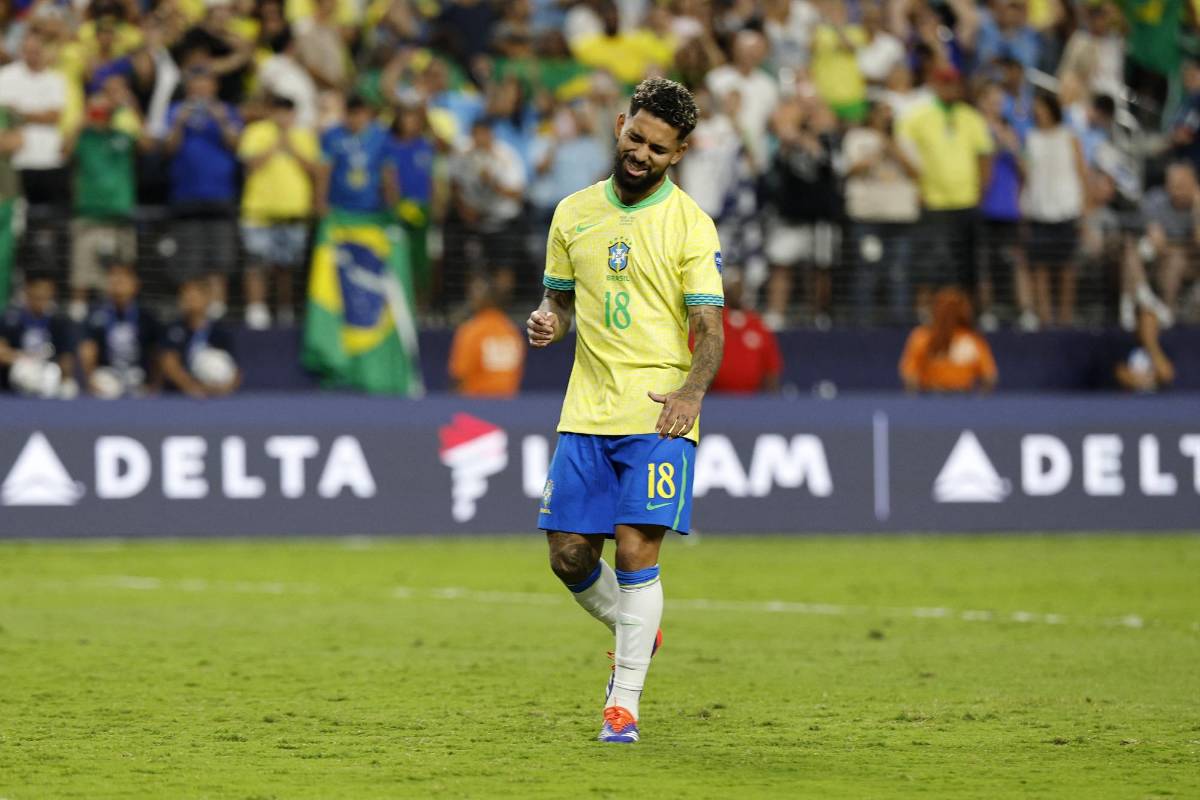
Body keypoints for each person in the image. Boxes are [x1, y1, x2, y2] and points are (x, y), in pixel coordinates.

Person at [526, 78, 724, 744]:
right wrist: (549, 321)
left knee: (638, 549)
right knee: (567, 555)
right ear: (620, 125)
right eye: (636, 138)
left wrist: (691, 393)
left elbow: (710, 327)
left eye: (658, 149)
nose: (641, 154)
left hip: (660, 411)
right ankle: (639, 629)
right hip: (586, 409)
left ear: (679, 153)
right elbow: (559, 302)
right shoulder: (572, 213)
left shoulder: (690, 224)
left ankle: (623, 705)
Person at [897, 64, 993, 315]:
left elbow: (984, 155)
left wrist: (981, 191)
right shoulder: (919, 116)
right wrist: (916, 180)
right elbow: (901, 147)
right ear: (936, 86)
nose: (950, 89)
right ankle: (926, 313)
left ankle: (968, 315)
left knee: (967, 264)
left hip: (966, 201)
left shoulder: (971, 117)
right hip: (934, 201)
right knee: (930, 263)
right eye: (945, 83)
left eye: (953, 84)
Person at [163, 63, 243, 318]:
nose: (199, 89)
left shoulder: (227, 111)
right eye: (195, 85)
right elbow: (168, 149)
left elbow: (236, 145)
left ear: (214, 87)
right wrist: (179, 122)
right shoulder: (175, 111)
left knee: (220, 257)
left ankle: (217, 309)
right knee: (188, 258)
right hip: (185, 195)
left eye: (204, 84)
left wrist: (221, 119)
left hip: (220, 194)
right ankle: (191, 311)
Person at [237, 95, 319, 329]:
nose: (283, 117)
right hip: (258, 212)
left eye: (287, 112)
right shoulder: (256, 132)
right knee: (256, 263)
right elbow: (250, 165)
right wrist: (275, 144)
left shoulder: (304, 135)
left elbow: (315, 169)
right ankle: (256, 311)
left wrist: (291, 146)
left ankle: (285, 310)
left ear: (294, 114)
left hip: (293, 213)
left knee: (287, 267)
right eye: (278, 111)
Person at [64, 88, 146, 322]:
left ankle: (120, 320)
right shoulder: (85, 137)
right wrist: (82, 118)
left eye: (105, 111)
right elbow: (64, 151)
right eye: (98, 111)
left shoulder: (122, 136)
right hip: (89, 215)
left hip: (119, 216)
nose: (101, 115)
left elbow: (148, 145)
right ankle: (77, 319)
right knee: (82, 274)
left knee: (121, 273)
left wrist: (132, 107)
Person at [843, 101, 919, 326]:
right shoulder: (856, 138)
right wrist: (877, 151)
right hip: (867, 216)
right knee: (867, 269)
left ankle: (899, 323)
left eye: (890, 113)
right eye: (882, 112)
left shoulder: (904, 140)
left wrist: (892, 148)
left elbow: (916, 171)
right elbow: (849, 170)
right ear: (872, 114)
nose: (887, 117)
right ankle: (863, 322)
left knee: (899, 271)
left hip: (900, 217)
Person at [1021, 92, 1086, 327]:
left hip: (1066, 210)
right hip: (1039, 211)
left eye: (1042, 107)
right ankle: (1045, 318)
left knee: (1066, 267)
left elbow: (1082, 173)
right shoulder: (1030, 138)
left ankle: (1066, 317)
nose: (1038, 112)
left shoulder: (1069, 136)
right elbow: (1026, 172)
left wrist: (1085, 211)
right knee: (1040, 267)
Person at [78, 261, 161, 397]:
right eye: (113, 277)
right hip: (107, 376)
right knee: (105, 384)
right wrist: (90, 381)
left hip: (137, 376)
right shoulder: (95, 315)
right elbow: (87, 351)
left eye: (123, 278)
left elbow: (156, 354)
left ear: (135, 284)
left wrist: (154, 385)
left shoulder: (146, 317)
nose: (118, 282)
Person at [899, 287, 997, 393]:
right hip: (932, 395)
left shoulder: (972, 339)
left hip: (961, 397)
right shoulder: (922, 336)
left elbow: (989, 376)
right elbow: (909, 374)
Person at [160, 277, 240, 398]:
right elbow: (169, 364)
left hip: (215, 396)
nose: (190, 300)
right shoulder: (174, 330)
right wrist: (191, 387)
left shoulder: (220, 332)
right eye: (186, 296)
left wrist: (225, 388)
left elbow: (235, 369)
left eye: (194, 296)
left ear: (207, 298)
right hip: (178, 396)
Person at [706, 267, 782, 393]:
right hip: (716, 397)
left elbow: (771, 367)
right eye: (733, 287)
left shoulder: (757, 323)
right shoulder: (713, 321)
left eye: (740, 286)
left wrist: (772, 399)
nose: (737, 291)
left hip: (752, 399)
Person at [448, 275, 525, 397]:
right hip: (507, 403)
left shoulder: (472, 330)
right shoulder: (511, 330)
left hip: (476, 403)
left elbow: (459, 375)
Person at [0, 274, 76, 397]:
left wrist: (66, 379)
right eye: (37, 295)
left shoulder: (59, 320)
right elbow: (1, 352)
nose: (41, 298)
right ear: (28, 291)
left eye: (45, 294)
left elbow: (65, 356)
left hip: (46, 368)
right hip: (19, 368)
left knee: (54, 375)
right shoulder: (12, 318)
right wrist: (22, 358)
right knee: (24, 371)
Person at [1114, 305, 1174, 393]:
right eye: (1144, 325)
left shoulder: (1165, 348)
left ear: (1157, 329)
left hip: (1159, 399)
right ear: (1137, 328)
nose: (1147, 330)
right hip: (1130, 398)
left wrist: (1150, 345)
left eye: (1150, 326)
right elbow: (1121, 375)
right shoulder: (1126, 347)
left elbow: (1166, 376)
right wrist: (1146, 380)